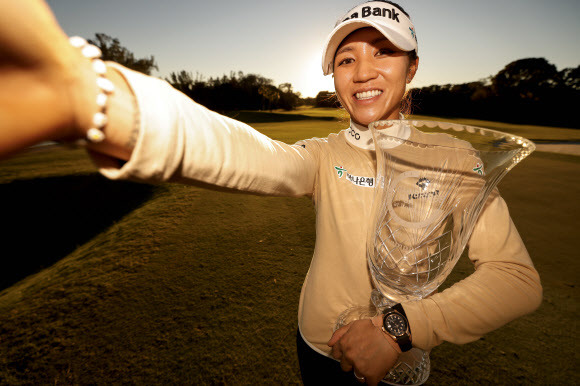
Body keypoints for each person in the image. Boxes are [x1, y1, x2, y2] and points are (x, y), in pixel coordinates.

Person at [0, 0, 542, 385]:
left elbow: (517, 280)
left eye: (384, 53)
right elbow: (247, 154)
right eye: (347, 59)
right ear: (334, 76)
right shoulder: (323, 154)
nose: (363, 72)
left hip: (398, 356)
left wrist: (401, 329)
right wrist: (99, 101)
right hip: (314, 347)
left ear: (413, 67)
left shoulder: (456, 159)